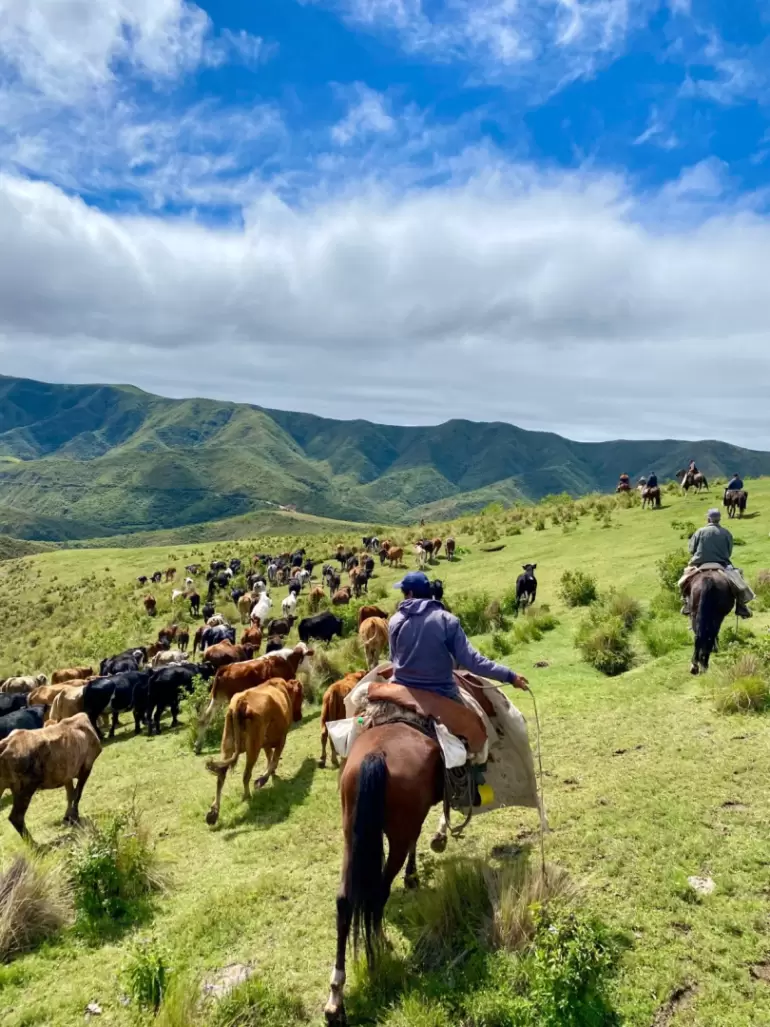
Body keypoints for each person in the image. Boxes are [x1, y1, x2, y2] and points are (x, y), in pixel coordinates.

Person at [389, 571, 528, 700]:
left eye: (404, 593)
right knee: (474, 718)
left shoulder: (395, 620)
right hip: (441, 692)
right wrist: (510, 676)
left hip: (401, 690)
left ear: (410, 594)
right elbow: (473, 662)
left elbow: (393, 659)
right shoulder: (446, 620)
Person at [679, 509, 754, 618]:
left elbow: (691, 549)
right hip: (722, 564)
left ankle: (686, 603)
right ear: (719, 519)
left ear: (708, 519)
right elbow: (729, 552)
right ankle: (741, 606)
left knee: (683, 580)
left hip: (699, 564)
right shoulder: (726, 532)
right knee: (739, 579)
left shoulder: (700, 532)